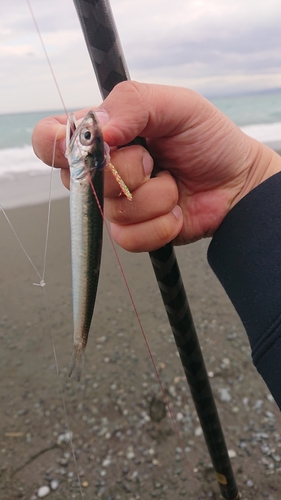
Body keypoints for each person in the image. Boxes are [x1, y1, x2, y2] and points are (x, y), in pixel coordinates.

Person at [32, 81, 281, 409]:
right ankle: (80, 340)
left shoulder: (93, 163)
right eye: (88, 136)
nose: (86, 131)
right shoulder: (86, 166)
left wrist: (252, 179)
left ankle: (80, 339)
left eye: (89, 137)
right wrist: (250, 179)